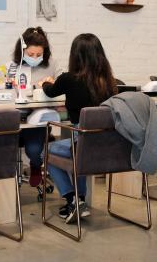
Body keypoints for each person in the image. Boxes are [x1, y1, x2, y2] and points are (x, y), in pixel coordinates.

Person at [40, 33, 117, 223]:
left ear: (75, 55)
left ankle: (72, 198)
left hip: (83, 141)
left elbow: (50, 91)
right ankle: (79, 200)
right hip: (108, 145)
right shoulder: (109, 81)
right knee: (77, 151)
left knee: (46, 152)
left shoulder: (68, 79)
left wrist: (45, 83)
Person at [8, 26, 62, 187]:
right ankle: (4, 182)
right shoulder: (13, 66)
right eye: (31, 54)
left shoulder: (51, 65)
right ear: (22, 51)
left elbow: (62, 86)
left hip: (39, 118)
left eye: (39, 54)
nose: (35, 57)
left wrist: (53, 84)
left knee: (33, 150)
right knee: (0, 147)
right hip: (16, 118)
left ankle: (36, 165)